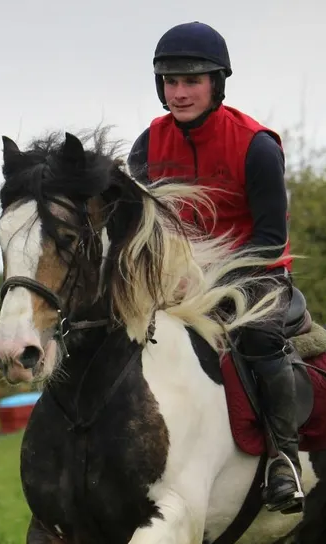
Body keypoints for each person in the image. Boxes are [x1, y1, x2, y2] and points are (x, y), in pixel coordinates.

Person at [128, 21, 304, 514]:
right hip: (171, 280)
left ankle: (283, 460)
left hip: (254, 276)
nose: (179, 92)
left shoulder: (257, 146)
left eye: (192, 81)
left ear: (217, 84)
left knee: (261, 339)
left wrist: (210, 280)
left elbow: (271, 239)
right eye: (170, 82)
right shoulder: (145, 147)